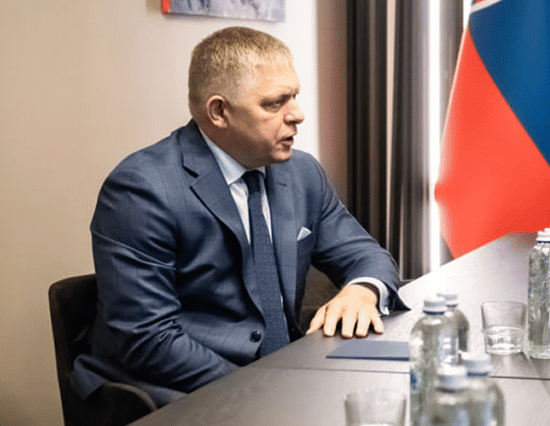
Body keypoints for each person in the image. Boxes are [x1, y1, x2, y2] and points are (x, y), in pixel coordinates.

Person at [76, 27, 407, 406]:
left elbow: (366, 255)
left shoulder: (302, 173)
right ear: (219, 112)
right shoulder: (142, 189)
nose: (297, 115)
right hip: (181, 388)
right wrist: (266, 392)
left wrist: (362, 290)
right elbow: (147, 339)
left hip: (283, 375)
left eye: (294, 96)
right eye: (274, 103)